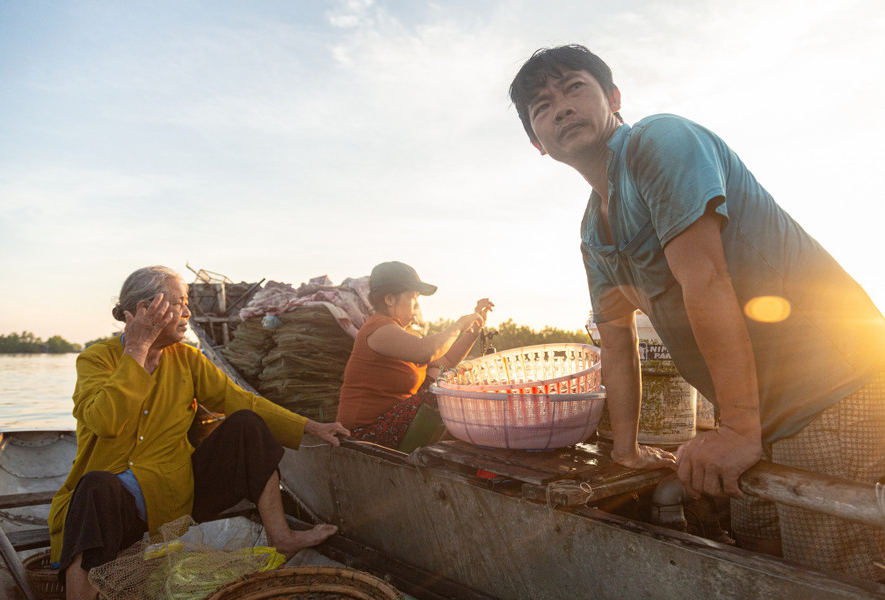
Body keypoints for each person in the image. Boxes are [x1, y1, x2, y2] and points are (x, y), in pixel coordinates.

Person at [508, 44, 885, 580]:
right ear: (537, 144)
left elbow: (705, 279)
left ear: (613, 98)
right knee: (755, 548)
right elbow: (616, 338)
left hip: (829, 390)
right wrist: (626, 448)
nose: (561, 107)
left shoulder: (659, 142)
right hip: (756, 409)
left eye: (574, 87)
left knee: (824, 573)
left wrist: (735, 428)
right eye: (542, 107)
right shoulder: (595, 228)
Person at [48, 266, 350, 600]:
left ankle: (282, 535)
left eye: (186, 302)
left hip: (174, 498)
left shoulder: (187, 359)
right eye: (179, 303)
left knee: (247, 423)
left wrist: (310, 426)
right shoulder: (96, 360)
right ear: (145, 311)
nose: (188, 312)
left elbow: (242, 401)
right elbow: (104, 422)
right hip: (114, 508)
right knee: (94, 486)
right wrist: (137, 348)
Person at [336, 261, 493, 450]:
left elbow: (446, 361)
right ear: (390, 299)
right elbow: (427, 351)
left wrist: (473, 330)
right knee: (440, 393)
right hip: (363, 434)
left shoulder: (401, 333)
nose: (417, 306)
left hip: (389, 424)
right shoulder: (378, 329)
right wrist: (458, 324)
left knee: (439, 373)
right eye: (413, 298)